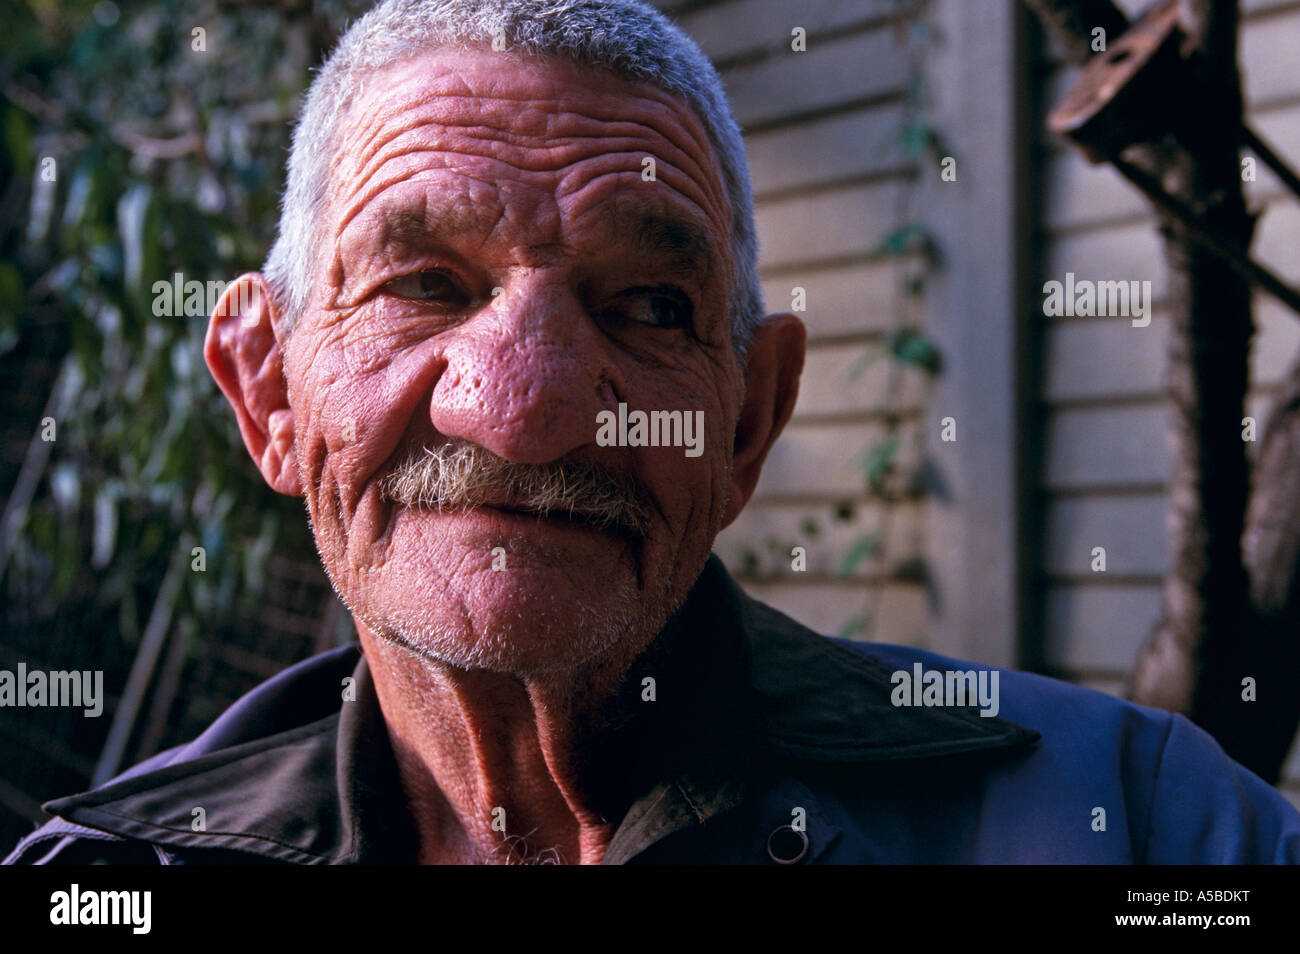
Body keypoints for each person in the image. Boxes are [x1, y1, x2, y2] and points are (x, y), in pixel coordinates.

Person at [8, 0, 1299, 865]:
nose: (525, 411)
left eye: (649, 304)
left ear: (751, 419)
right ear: (269, 394)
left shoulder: (1147, 826)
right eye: (423, 286)